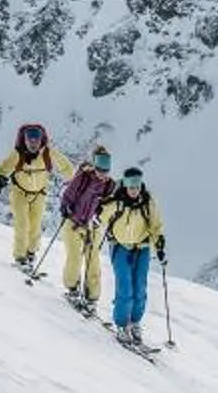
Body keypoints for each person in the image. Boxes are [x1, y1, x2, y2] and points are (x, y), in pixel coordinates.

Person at [100, 167, 164, 348]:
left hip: (142, 248)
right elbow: (101, 215)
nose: (134, 189)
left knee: (140, 289)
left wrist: (159, 245)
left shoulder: (147, 202)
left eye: (137, 185)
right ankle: (122, 325)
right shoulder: (117, 201)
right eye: (131, 185)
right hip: (120, 248)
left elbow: (155, 226)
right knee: (125, 288)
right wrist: (95, 221)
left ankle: (135, 322)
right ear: (125, 184)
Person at [0, 122, 67, 271]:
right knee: (22, 224)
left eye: (36, 140)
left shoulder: (47, 153)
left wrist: (73, 180)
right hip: (19, 193)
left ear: (40, 140)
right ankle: (20, 257)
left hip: (39, 194)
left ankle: (31, 253)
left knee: (35, 226)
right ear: (25, 140)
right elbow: (2, 168)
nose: (33, 143)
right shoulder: (18, 153)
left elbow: (66, 166)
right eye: (29, 140)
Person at [56, 146, 115, 315]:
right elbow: (68, 195)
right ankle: (72, 289)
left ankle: (91, 298)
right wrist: (66, 208)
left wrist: (102, 219)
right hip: (73, 223)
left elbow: (108, 207)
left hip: (92, 227)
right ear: (95, 165)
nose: (103, 173)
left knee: (93, 261)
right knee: (75, 257)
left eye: (106, 168)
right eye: (100, 168)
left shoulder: (109, 185)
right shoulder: (83, 178)